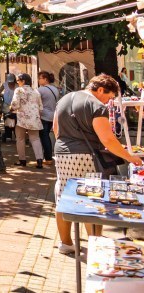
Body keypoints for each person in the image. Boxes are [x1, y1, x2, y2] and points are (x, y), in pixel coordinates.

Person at [53, 74, 143, 255]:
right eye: (109, 97)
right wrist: (130, 157)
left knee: (63, 198)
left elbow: (56, 127)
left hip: (62, 153)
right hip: (86, 156)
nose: (109, 101)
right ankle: (95, 243)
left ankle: (66, 243)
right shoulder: (96, 106)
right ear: (100, 89)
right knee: (90, 201)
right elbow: (108, 139)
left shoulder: (64, 99)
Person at [10, 73, 45, 169]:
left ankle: (22, 160)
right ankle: (39, 160)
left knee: (20, 139)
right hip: (34, 118)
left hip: (22, 118)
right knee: (35, 139)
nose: (17, 82)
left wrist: (10, 109)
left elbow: (15, 104)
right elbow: (41, 107)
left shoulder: (19, 90)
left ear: (23, 81)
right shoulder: (36, 91)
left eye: (18, 80)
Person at [38, 71, 60, 165]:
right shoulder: (55, 89)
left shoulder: (41, 90)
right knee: (48, 136)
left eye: (40, 78)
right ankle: (49, 156)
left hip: (44, 115)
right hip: (53, 115)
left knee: (44, 137)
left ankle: (48, 158)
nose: (39, 80)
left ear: (45, 79)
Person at [1, 73, 17, 142]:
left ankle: (16, 136)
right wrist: (0, 96)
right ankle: (8, 136)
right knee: (7, 121)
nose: (11, 83)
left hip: (15, 106)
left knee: (16, 121)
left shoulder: (17, 86)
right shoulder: (4, 85)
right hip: (6, 106)